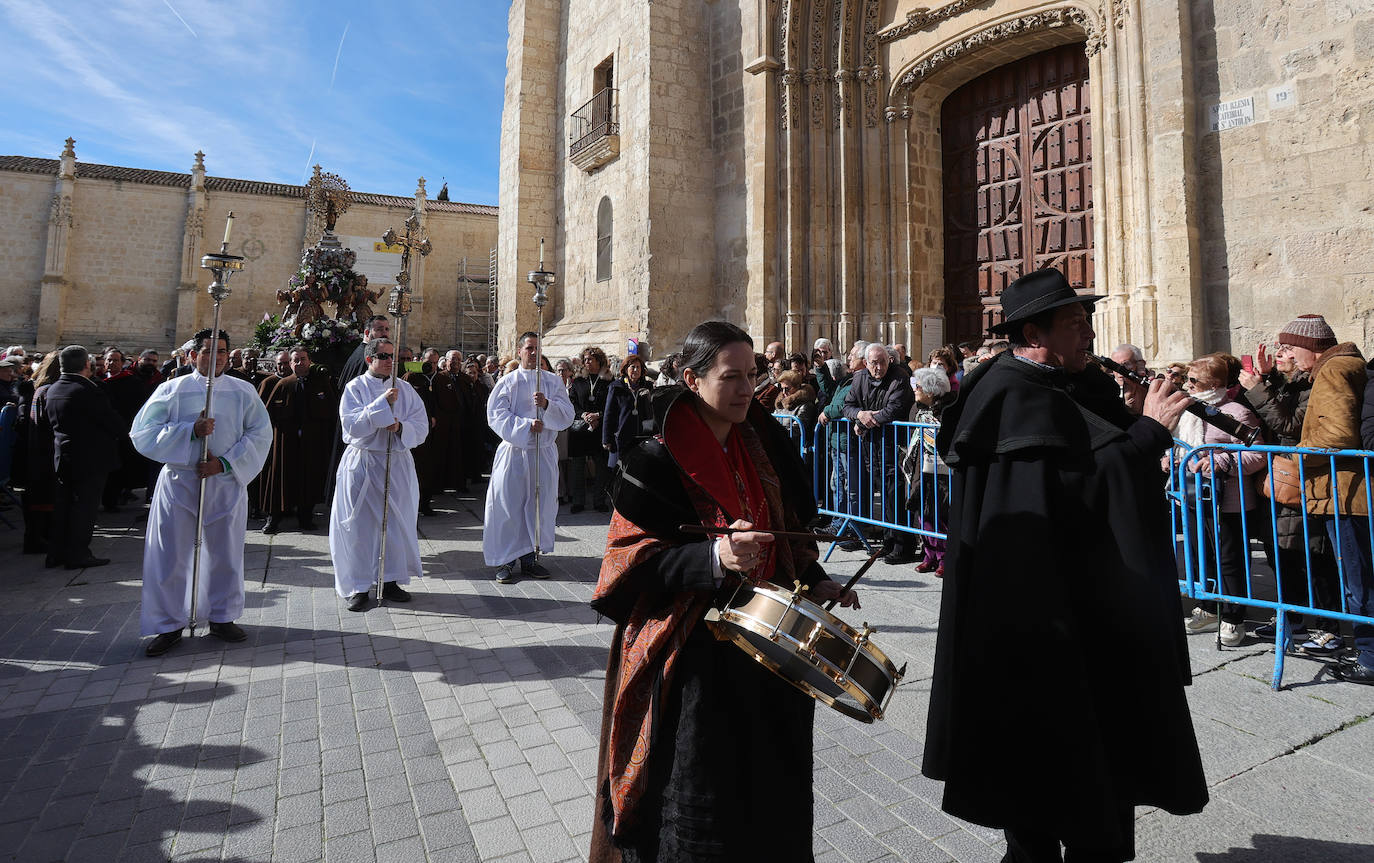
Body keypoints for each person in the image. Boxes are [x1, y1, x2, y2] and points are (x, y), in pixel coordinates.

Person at [924, 268, 1207, 861]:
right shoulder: (1012, 394)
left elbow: (1096, 449)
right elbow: (1077, 493)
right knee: (1043, 769)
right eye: (1075, 322)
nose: (1089, 332)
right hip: (1040, 622)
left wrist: (1133, 415)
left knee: (1101, 763)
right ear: (1034, 332)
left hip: (1092, 615)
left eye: (1088, 320)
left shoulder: (1070, 382)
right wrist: (1151, 433)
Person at [588, 320, 857, 861]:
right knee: (701, 804)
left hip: (769, 657)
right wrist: (713, 557)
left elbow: (788, 529)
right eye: (731, 377)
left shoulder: (765, 445)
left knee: (770, 804)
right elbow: (626, 569)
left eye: (752, 375)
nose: (745, 389)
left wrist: (814, 578)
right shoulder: (654, 461)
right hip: (694, 663)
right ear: (691, 378)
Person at [131, 328, 273, 657]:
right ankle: (168, 624)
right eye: (208, 351)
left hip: (224, 483)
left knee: (225, 551)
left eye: (222, 351)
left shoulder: (243, 391)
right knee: (172, 555)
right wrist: (189, 432)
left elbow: (260, 433)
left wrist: (224, 463)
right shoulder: (172, 389)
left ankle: (222, 617)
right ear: (194, 355)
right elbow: (143, 432)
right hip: (181, 482)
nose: (216, 356)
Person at [1287, 314, 1374, 683]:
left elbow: (1337, 435)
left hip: (1345, 493)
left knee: (1360, 581)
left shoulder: (1333, 369)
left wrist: (1292, 456)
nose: (1287, 355)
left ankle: (1370, 658)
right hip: (1344, 491)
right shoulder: (1344, 365)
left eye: (1290, 348)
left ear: (1311, 346)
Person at [329, 338, 429, 611]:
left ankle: (391, 579)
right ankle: (359, 586)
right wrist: (382, 405)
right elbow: (351, 426)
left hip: (396, 463)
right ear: (369, 359)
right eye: (383, 356)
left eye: (391, 357)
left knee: (396, 522)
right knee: (361, 526)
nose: (389, 361)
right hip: (364, 462)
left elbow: (421, 426)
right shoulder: (355, 388)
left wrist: (399, 428)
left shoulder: (406, 389)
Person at [1174, 354, 1266, 646]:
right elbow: (1182, 445)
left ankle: (1233, 618)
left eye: (1193, 380)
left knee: (1229, 561)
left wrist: (1224, 461)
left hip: (1228, 501)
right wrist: (1170, 458)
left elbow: (1258, 453)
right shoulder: (1189, 410)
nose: (1186, 385)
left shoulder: (1235, 412)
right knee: (1201, 556)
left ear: (1213, 384)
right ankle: (1209, 609)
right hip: (1193, 497)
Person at [483, 332, 575, 583]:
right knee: (508, 505)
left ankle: (529, 558)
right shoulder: (507, 381)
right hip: (514, 452)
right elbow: (495, 415)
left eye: (538, 348)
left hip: (542, 453)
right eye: (529, 348)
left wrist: (546, 406)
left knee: (538, 506)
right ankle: (505, 559)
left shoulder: (553, 381)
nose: (534, 353)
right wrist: (524, 427)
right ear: (519, 350)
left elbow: (567, 415)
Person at [42, 346, 124, 570]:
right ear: (87, 365)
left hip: (64, 455)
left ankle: (56, 552)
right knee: (84, 508)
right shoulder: (87, 390)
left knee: (64, 506)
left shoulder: (55, 388)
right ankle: (78, 553)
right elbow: (111, 421)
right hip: (90, 459)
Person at [843, 342, 918, 565]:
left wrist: (865, 423)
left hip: (894, 446)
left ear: (889, 361)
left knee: (896, 495)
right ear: (866, 363)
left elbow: (893, 409)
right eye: (874, 363)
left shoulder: (899, 377)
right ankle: (888, 542)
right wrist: (860, 415)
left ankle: (903, 546)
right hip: (872, 448)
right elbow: (848, 406)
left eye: (882, 362)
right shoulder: (859, 379)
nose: (878, 367)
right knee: (884, 497)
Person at [260, 346, 340, 533]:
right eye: (295, 360)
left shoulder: (321, 383)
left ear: (309, 361)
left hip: (311, 444)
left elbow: (330, 411)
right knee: (280, 480)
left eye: (303, 359)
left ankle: (306, 517)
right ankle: (274, 519)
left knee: (309, 480)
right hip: (285, 444)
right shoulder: (283, 384)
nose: (299, 363)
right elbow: (268, 415)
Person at [902, 366, 953, 576]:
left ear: (930, 392)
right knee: (923, 512)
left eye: (918, 386)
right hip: (920, 467)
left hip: (940, 469)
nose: (914, 389)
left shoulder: (947, 411)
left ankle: (944, 558)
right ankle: (929, 554)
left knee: (939, 513)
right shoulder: (918, 409)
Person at [569, 346, 613, 513]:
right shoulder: (578, 381)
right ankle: (578, 501)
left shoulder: (608, 381)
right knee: (578, 466)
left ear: (599, 361)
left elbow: (611, 404)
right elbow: (572, 403)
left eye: (590, 359)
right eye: (585, 359)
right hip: (581, 429)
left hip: (600, 429)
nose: (587, 362)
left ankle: (599, 500)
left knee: (601, 466)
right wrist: (585, 415)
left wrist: (598, 415)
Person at [601, 354, 654, 468]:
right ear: (625, 369)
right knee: (619, 469)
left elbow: (653, 411)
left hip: (641, 436)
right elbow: (608, 414)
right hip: (621, 436)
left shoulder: (648, 386)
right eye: (632, 367)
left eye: (638, 367)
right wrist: (606, 439)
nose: (635, 370)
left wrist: (650, 397)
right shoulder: (616, 387)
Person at [338, 315, 390, 384]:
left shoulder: (364, 350)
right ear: (367, 333)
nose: (385, 333)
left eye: (387, 329)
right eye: (379, 329)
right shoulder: (368, 356)